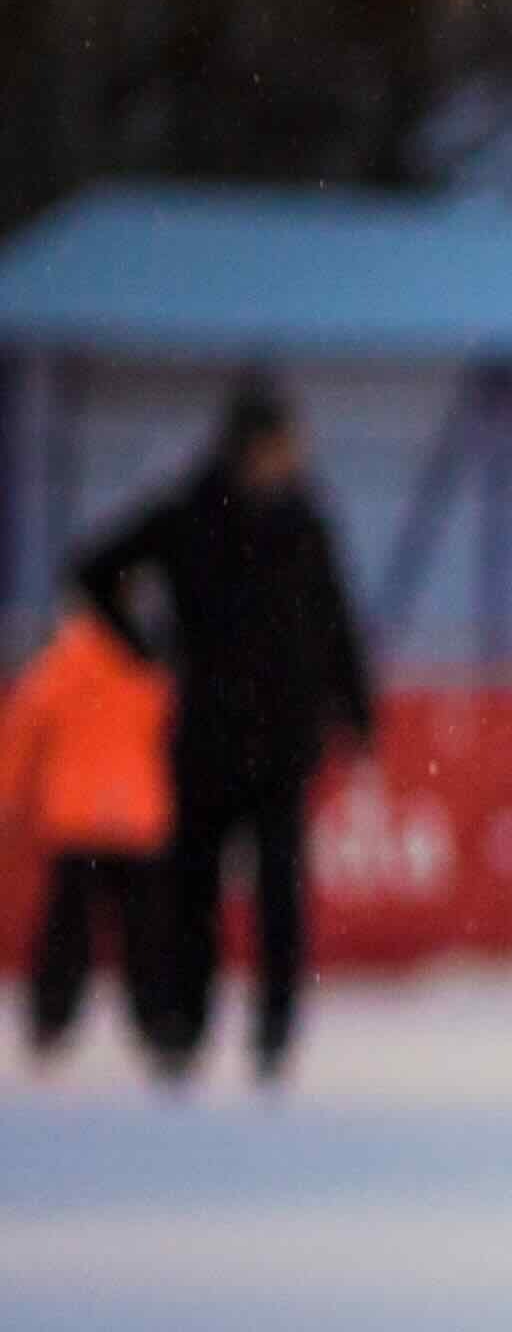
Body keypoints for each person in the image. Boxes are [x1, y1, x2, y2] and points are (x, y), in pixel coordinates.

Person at [75, 376, 376, 1089]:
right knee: (194, 889)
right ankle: (184, 1025)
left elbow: (334, 619)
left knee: (278, 891)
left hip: (281, 742)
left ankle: (273, 1028)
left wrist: (354, 706)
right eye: (283, 444)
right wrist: (143, 646)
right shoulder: (190, 514)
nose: (293, 458)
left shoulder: (304, 523)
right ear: (253, 445)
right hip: (209, 737)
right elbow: (93, 569)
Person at [4, 586, 178, 1065]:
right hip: (136, 819)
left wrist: (9, 794)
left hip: (77, 819)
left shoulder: (64, 660)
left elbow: (22, 727)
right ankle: (159, 1025)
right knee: (145, 936)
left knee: (68, 933)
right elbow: (175, 733)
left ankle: (50, 1021)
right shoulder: (149, 661)